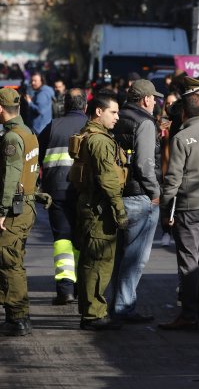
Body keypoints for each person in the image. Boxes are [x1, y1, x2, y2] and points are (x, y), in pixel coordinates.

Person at [158, 92, 199, 330]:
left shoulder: (181, 138)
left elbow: (173, 178)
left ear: (184, 113)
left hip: (189, 208)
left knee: (190, 262)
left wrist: (165, 209)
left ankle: (188, 314)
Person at [0, 88, 42, 336]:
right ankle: (20, 316)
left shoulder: (11, 138)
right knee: (15, 260)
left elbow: (10, 178)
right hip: (27, 206)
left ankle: (17, 318)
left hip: (14, 209)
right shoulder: (28, 133)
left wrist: (1, 212)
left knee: (7, 261)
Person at [71, 94, 128, 330]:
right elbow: (108, 179)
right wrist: (119, 209)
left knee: (89, 261)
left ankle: (90, 312)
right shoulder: (100, 141)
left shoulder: (87, 135)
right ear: (98, 112)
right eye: (113, 112)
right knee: (99, 263)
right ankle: (94, 314)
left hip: (88, 206)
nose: (117, 117)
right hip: (99, 211)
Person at [110, 79, 163, 323]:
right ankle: (124, 307)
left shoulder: (117, 117)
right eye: (153, 98)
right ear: (145, 100)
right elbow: (144, 164)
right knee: (136, 258)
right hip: (140, 195)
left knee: (121, 254)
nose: (155, 102)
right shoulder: (145, 122)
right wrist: (155, 192)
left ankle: (116, 304)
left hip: (119, 193)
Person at [38, 88, 88, 305]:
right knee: (82, 238)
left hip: (57, 191)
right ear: (86, 106)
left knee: (63, 240)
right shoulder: (93, 127)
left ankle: (65, 290)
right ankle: (81, 288)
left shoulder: (52, 127)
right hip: (85, 191)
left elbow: (38, 157)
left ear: (64, 105)